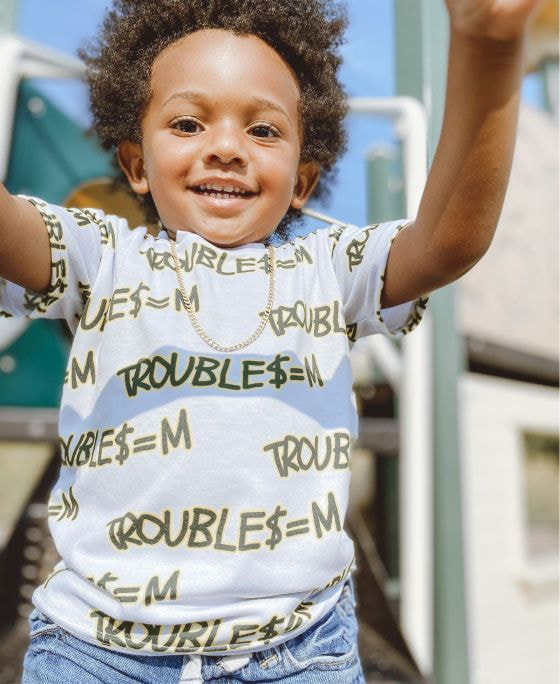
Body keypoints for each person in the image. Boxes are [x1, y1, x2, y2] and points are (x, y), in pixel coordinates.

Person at [0, 0, 541, 682]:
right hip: (96, 652)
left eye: (262, 129)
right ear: (136, 165)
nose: (225, 146)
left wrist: (488, 45)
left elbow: (447, 244)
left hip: (298, 651)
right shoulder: (102, 257)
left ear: (302, 181)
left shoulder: (330, 269)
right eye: (189, 123)